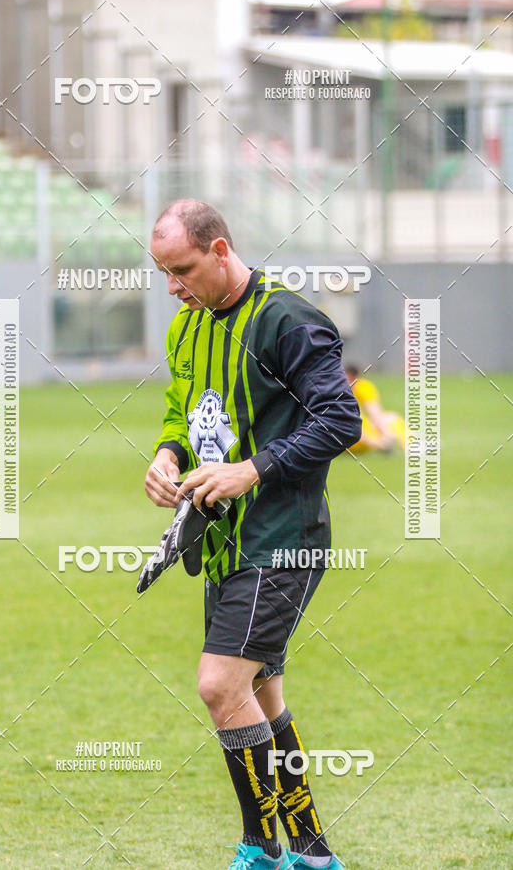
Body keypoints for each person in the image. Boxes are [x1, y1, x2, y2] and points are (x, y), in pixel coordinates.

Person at [144, 199, 361, 870]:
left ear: (219, 251)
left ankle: (261, 850)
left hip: (281, 539)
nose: (173, 287)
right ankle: (315, 852)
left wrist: (252, 470)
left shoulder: (286, 321)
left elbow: (341, 419)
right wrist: (168, 455)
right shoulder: (187, 328)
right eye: (162, 274)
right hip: (221, 544)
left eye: (181, 269)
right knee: (263, 693)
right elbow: (185, 411)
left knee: (220, 685)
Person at [344, 365, 408, 454]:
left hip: (358, 434)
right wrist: (379, 443)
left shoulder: (363, 387)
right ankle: (397, 445)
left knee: (391, 417)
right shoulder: (337, 393)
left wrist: (385, 434)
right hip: (346, 438)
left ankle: (408, 445)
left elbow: (375, 414)